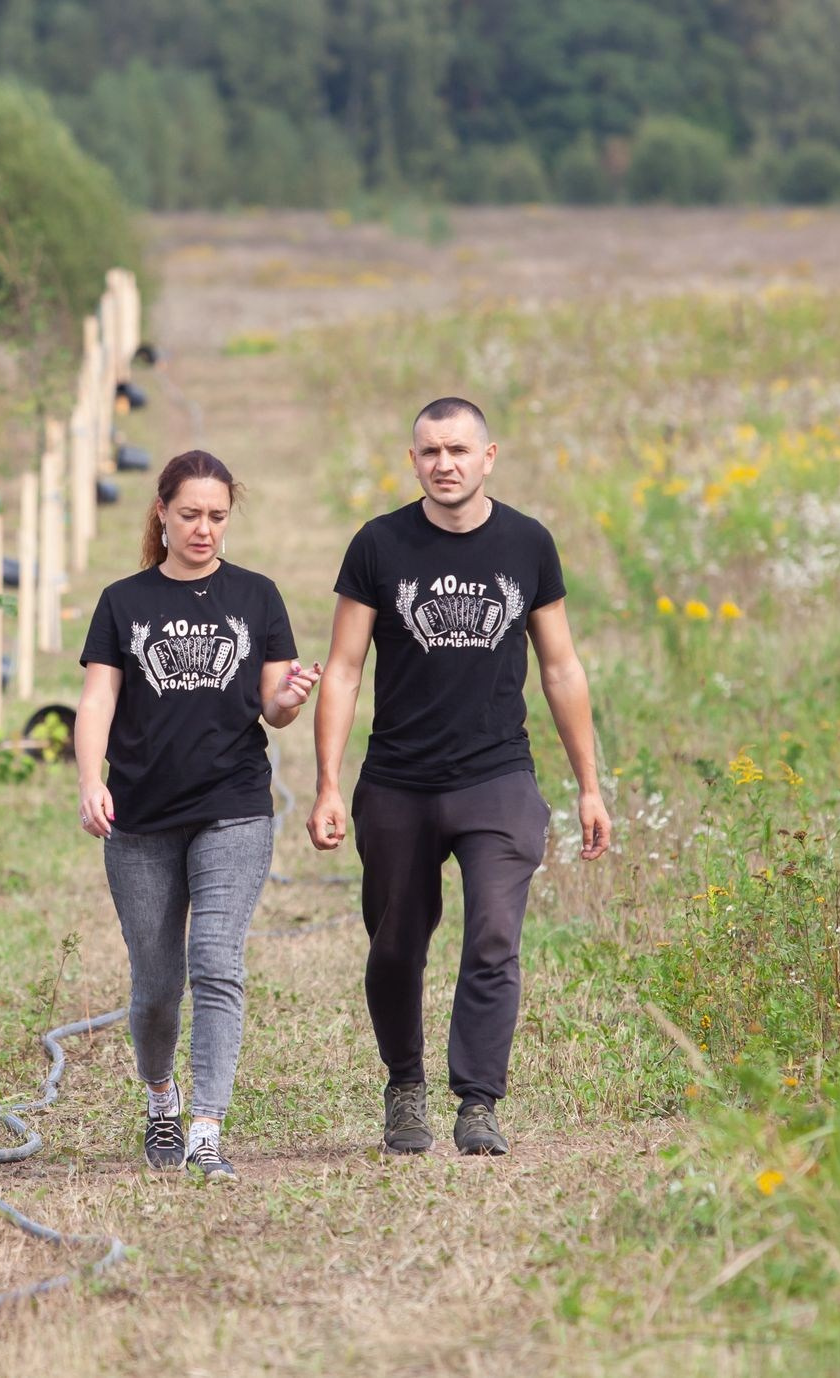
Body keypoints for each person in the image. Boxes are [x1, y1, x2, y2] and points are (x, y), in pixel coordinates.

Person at [307, 397, 611, 1156]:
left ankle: (479, 1100)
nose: (445, 464)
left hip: (497, 775)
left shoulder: (528, 543)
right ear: (412, 461)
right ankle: (403, 1084)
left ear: (489, 457)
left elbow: (561, 666)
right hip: (399, 780)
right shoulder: (377, 545)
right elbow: (343, 670)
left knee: (494, 937)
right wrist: (327, 784)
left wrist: (589, 785)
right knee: (396, 943)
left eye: (459, 450)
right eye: (430, 452)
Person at [76, 449, 320, 1180]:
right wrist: (91, 779)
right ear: (162, 512)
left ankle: (207, 1126)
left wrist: (287, 700)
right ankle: (161, 1102)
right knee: (155, 986)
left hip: (234, 809)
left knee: (216, 962)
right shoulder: (124, 602)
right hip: (141, 819)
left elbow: (274, 707)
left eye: (217, 516)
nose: (204, 529)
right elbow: (97, 700)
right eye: (190, 515)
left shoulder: (257, 596)